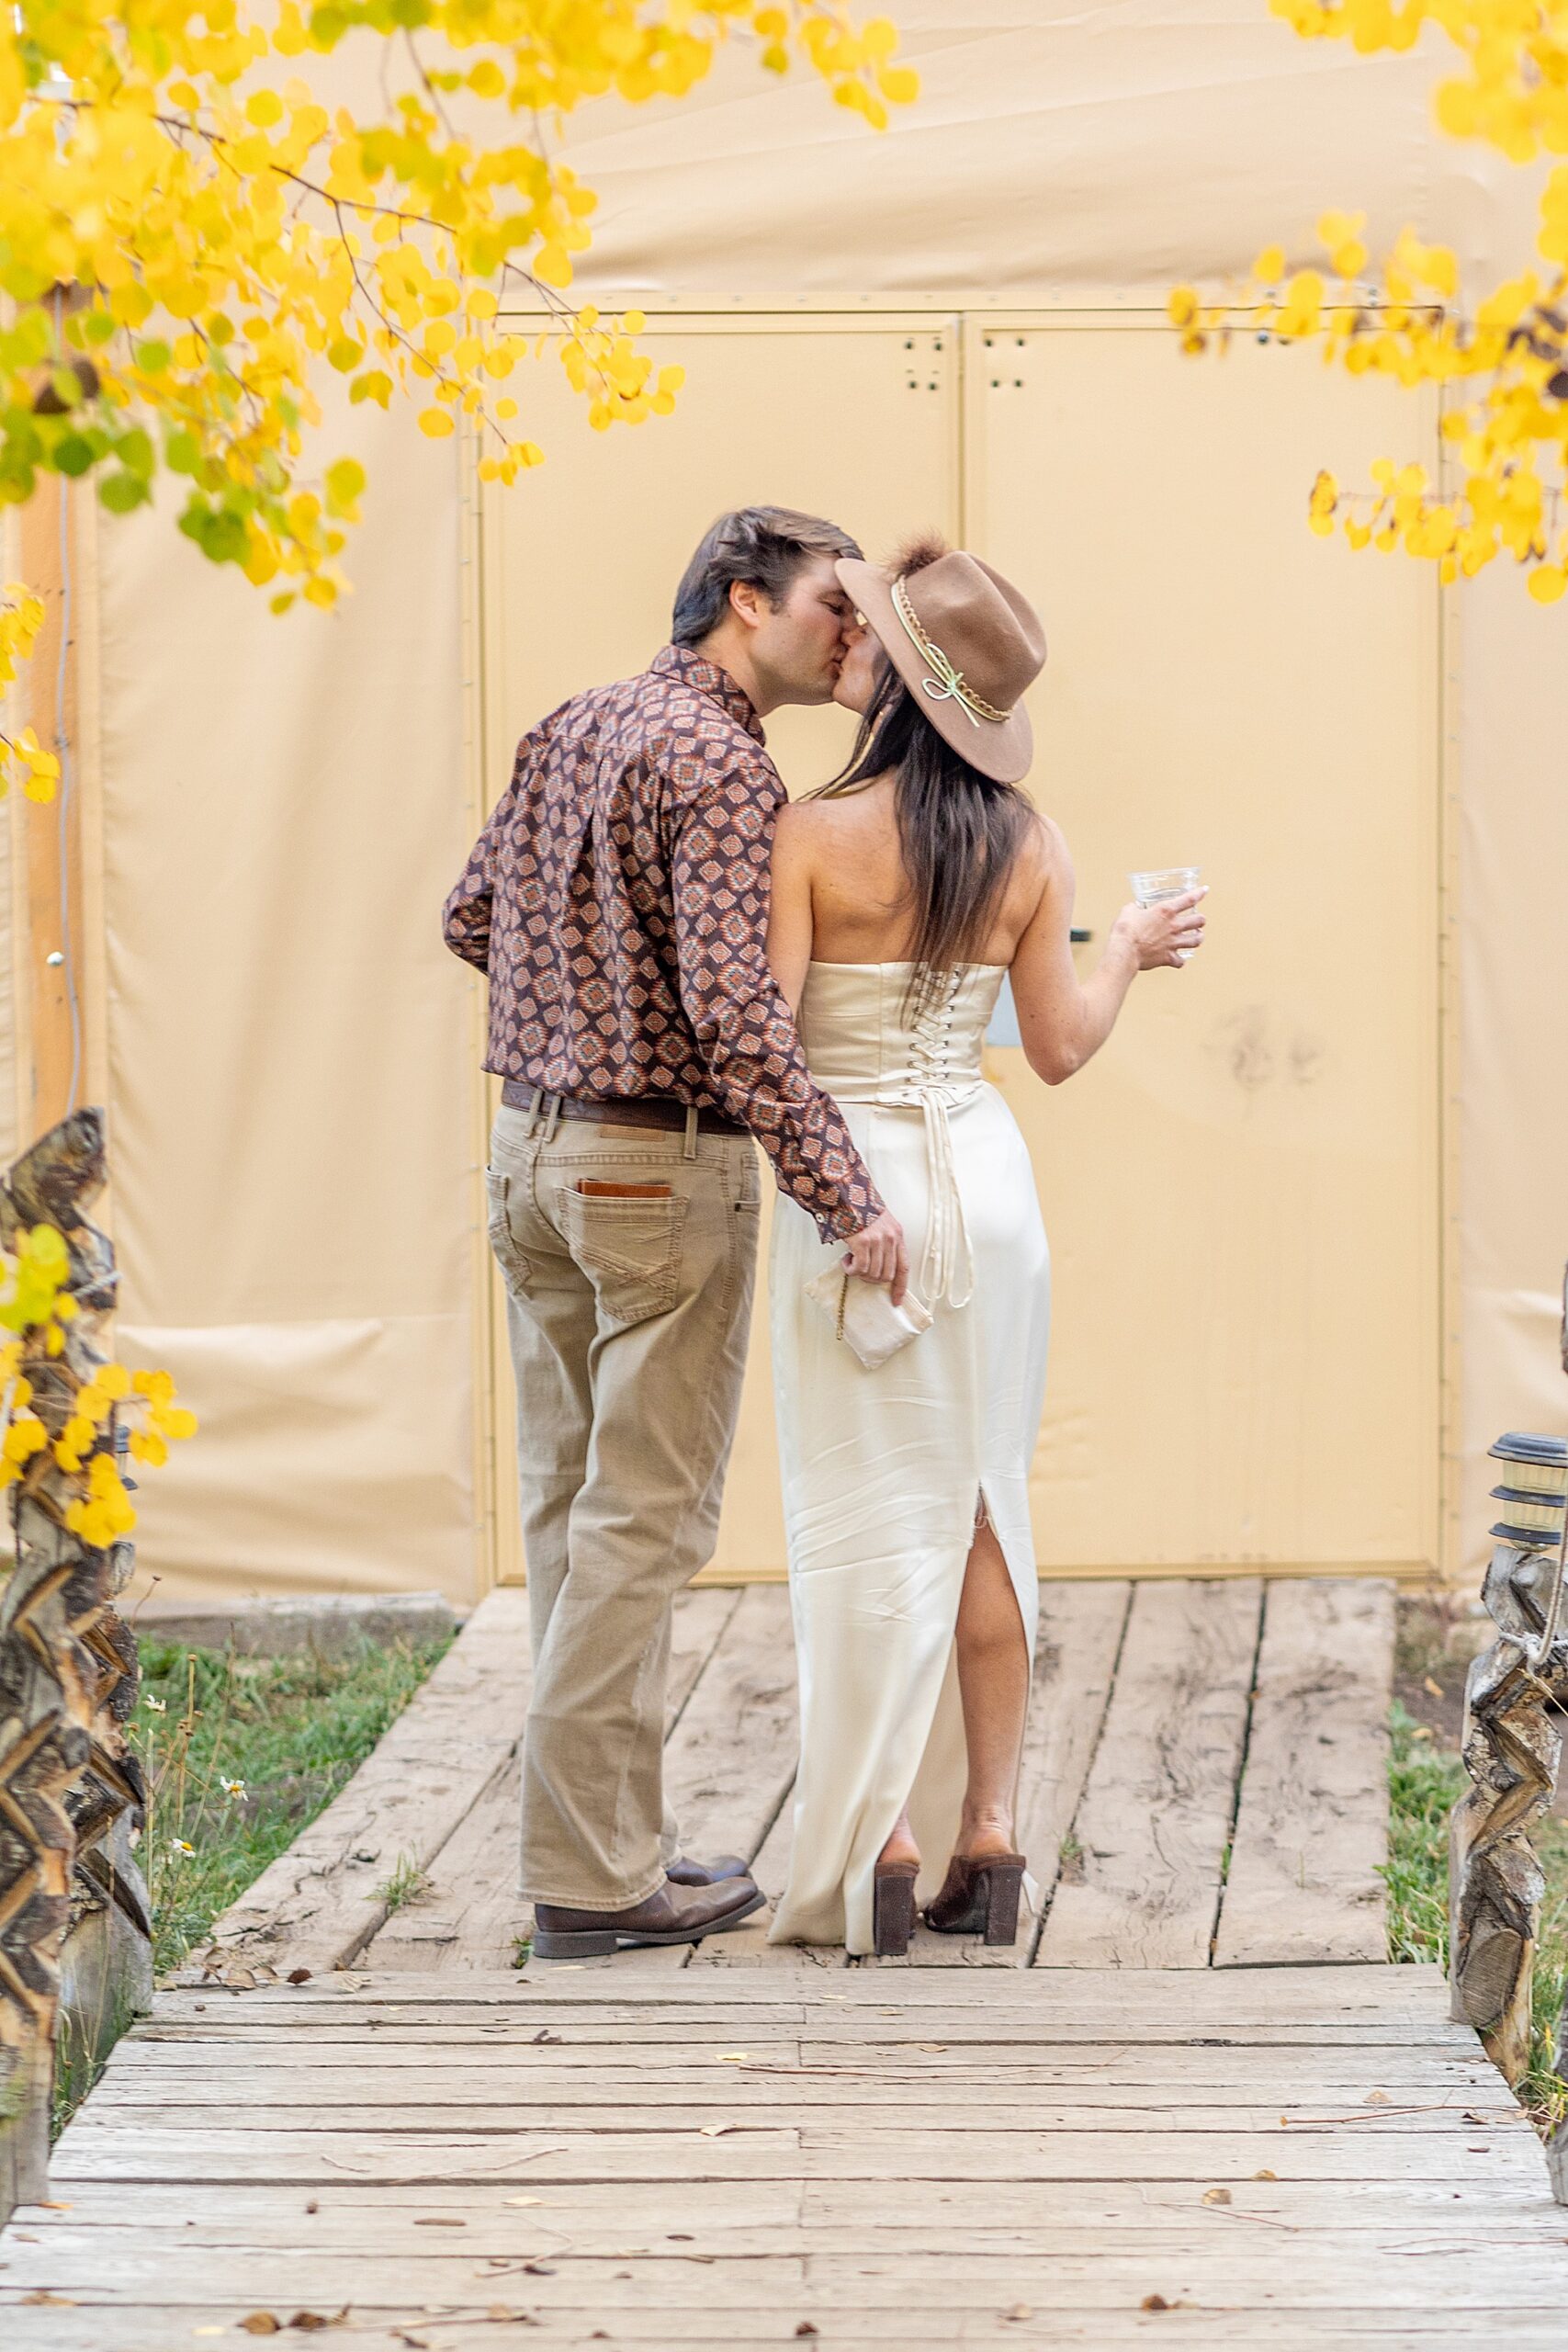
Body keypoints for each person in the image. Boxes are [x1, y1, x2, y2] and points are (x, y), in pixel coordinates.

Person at [441, 507, 908, 1962]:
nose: (859, 636)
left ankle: (601, 1849)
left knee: (572, 1517)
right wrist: (849, 1194)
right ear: (747, 598)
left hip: (529, 1153)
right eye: (839, 606)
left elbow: (471, 917)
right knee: (638, 1529)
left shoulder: (574, 722)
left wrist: (578, 997)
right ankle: (591, 1882)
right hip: (654, 1169)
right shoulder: (719, 763)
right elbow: (737, 1015)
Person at [763, 536, 1206, 1957]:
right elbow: (1062, 1050)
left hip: (861, 1197)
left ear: (895, 684)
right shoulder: (1030, 844)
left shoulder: (810, 838)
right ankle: (992, 1832)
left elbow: (772, 1055)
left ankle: (882, 1842)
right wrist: (1129, 942)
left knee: (857, 1523)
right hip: (989, 1192)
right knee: (981, 1506)